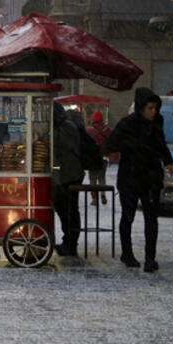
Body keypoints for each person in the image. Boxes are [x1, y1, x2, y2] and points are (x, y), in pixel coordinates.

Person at [106, 87, 173, 272]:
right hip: (130, 177)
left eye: (155, 108)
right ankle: (127, 253)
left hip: (150, 177)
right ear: (141, 108)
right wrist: (133, 146)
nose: (153, 112)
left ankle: (150, 258)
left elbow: (161, 144)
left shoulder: (157, 123)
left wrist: (168, 161)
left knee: (151, 219)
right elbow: (111, 144)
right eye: (149, 108)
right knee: (128, 216)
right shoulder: (127, 124)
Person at [52, 102, 84, 257]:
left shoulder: (67, 127)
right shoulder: (65, 126)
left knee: (69, 210)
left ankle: (71, 244)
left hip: (69, 176)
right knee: (65, 209)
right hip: (66, 175)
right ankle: (68, 241)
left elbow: (61, 148)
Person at [86, 111, 112, 206]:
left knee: (92, 178)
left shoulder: (89, 130)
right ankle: (103, 193)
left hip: (92, 158)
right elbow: (111, 142)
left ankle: (94, 199)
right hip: (104, 157)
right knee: (101, 177)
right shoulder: (107, 129)